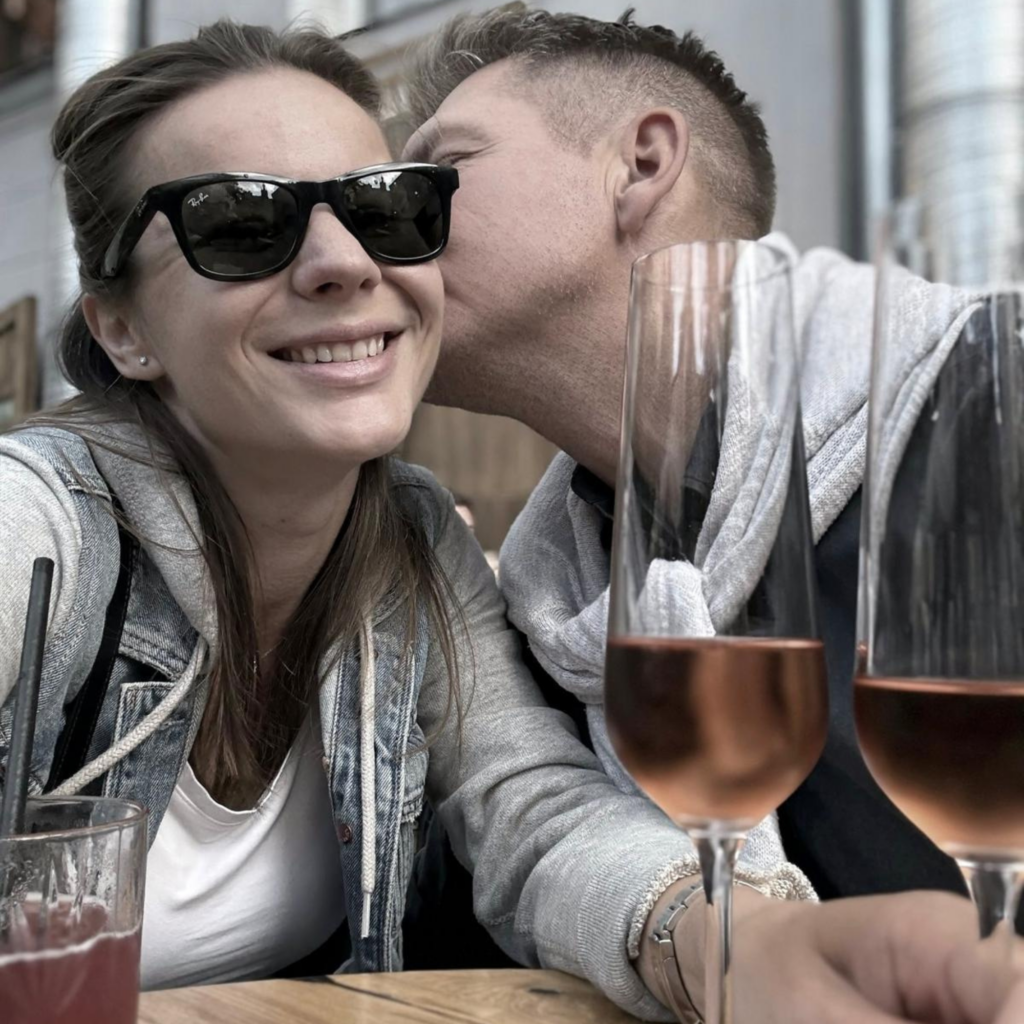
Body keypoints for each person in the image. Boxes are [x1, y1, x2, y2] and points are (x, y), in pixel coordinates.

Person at [0, 21, 811, 1014]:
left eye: (385, 208)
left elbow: (529, 808)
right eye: (242, 224)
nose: (344, 263)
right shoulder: (35, 527)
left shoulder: (411, 539)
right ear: (123, 330)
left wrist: (727, 937)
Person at [398, 4, 1024, 1021]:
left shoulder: (989, 415)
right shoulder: (560, 602)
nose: (385, 225)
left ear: (641, 165)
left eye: (441, 169)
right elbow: (522, 848)